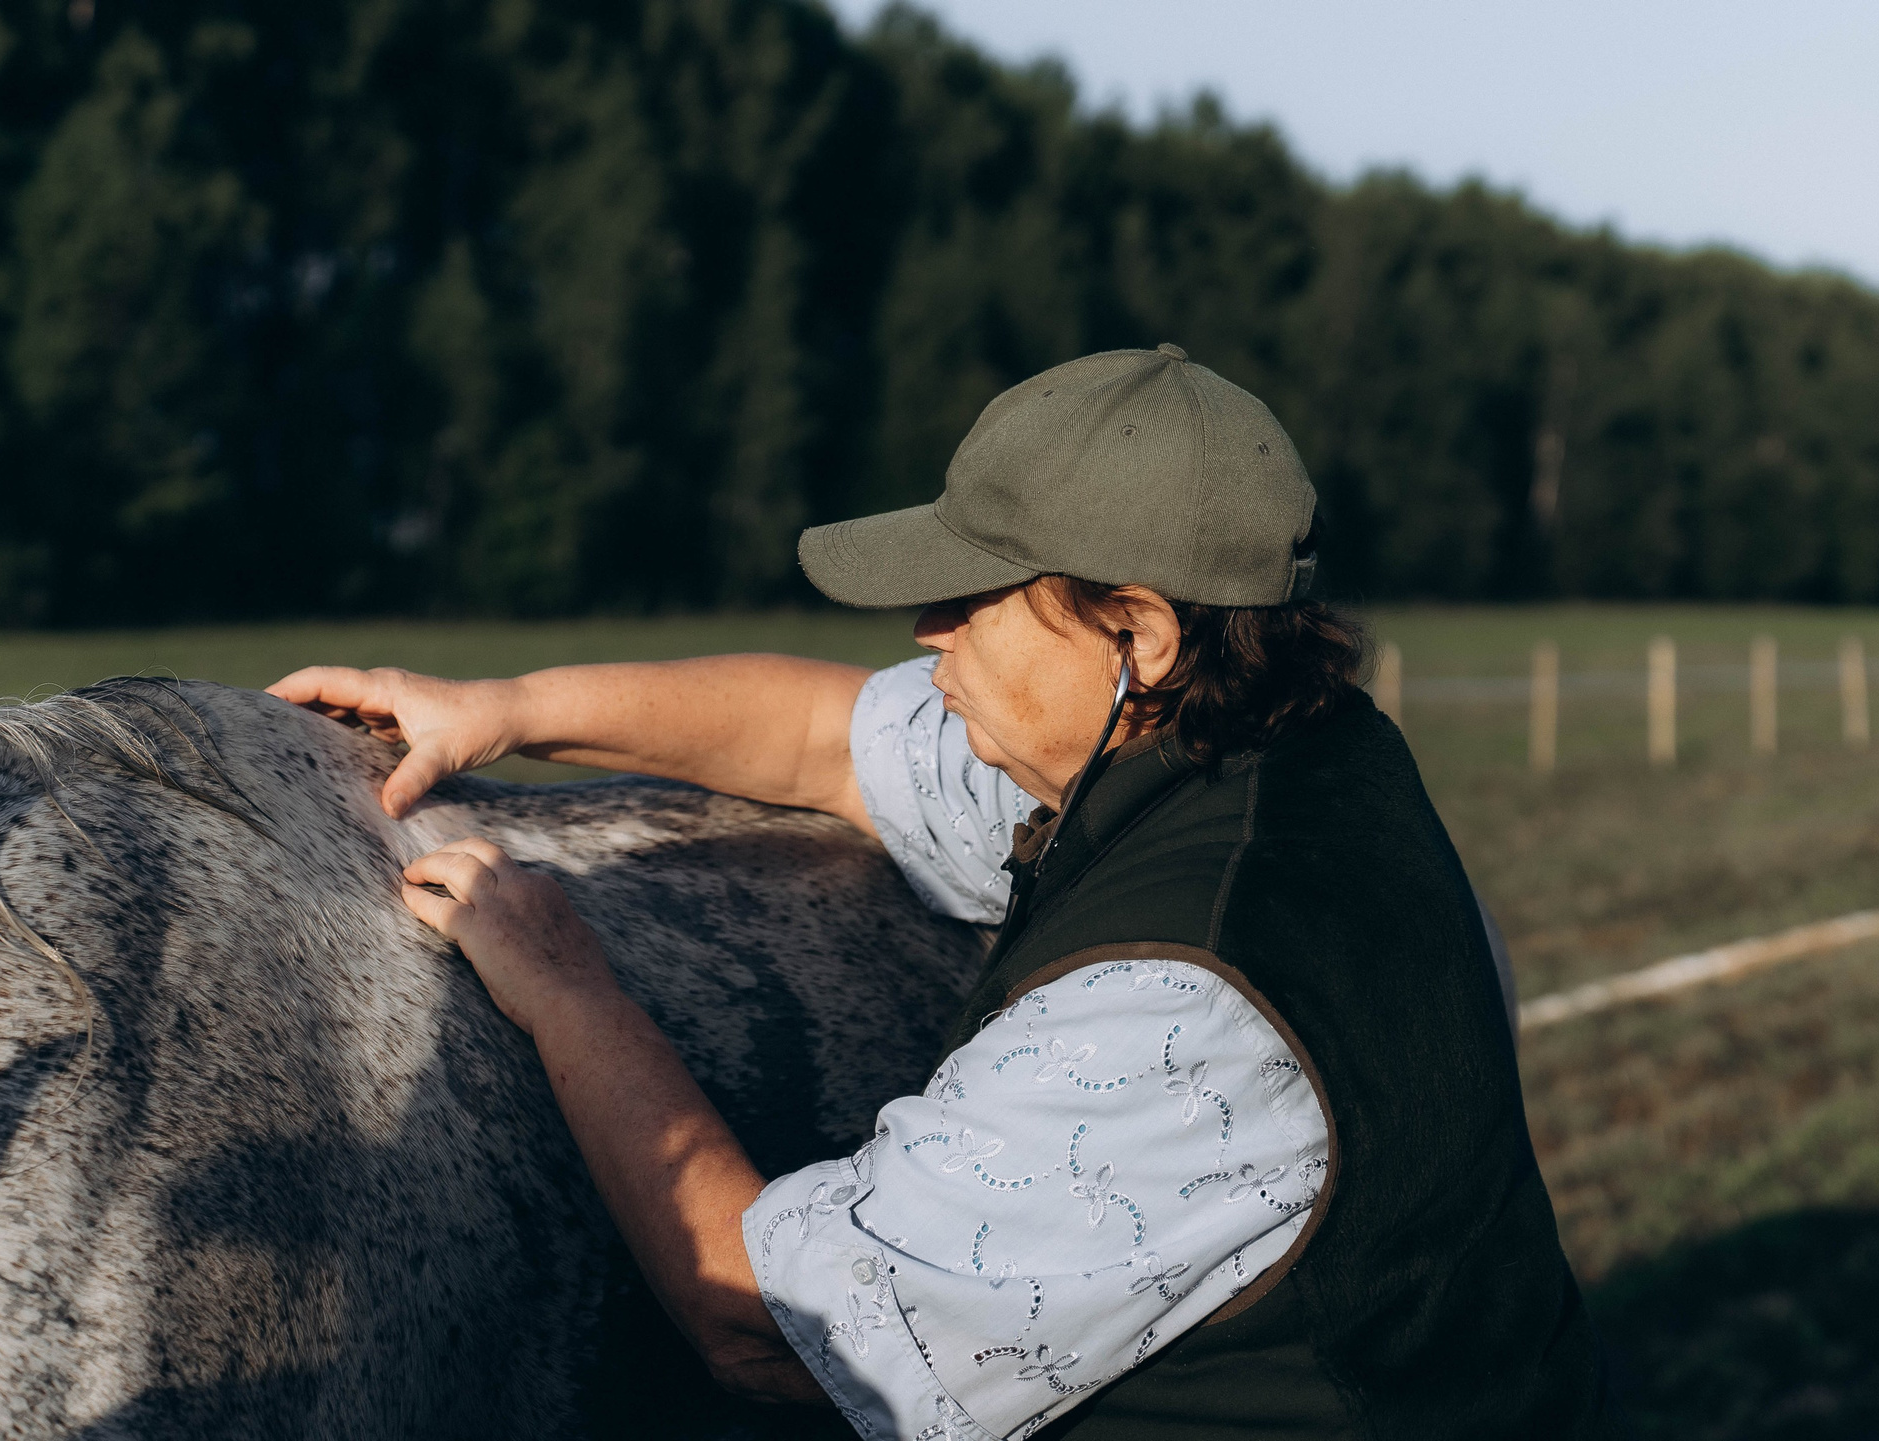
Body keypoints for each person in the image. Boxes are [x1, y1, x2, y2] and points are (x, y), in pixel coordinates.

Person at [273, 346, 1606, 1438]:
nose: (927, 630)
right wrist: (500, 708)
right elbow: (819, 736)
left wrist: (562, 986)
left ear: (1133, 627)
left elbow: (761, 1321)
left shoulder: (1174, 1004)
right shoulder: (1267, 749)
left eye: (973, 596)